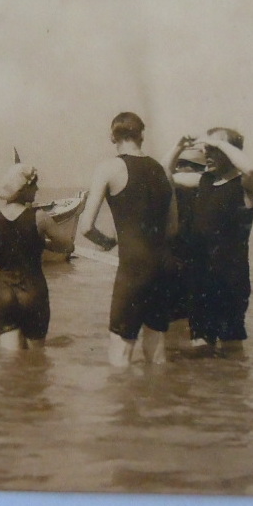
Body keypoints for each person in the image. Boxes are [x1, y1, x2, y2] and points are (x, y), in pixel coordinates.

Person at [79, 111, 177, 367]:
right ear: (142, 135)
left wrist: (106, 242)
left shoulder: (109, 168)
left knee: (120, 352)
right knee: (156, 350)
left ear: (112, 137)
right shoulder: (163, 171)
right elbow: (173, 228)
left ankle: (124, 405)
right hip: (162, 267)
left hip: (132, 269)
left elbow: (86, 226)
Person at [166, 127, 253, 347]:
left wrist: (218, 143)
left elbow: (251, 169)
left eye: (213, 149)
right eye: (205, 149)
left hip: (230, 278)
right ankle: (208, 379)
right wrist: (179, 146)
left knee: (231, 344)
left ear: (231, 151)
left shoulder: (245, 187)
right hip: (199, 276)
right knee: (199, 343)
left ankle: (232, 380)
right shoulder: (204, 180)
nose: (207, 154)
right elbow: (164, 173)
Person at [0, 164, 75, 351]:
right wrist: (44, 244)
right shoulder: (40, 217)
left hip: (4, 292)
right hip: (33, 291)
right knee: (36, 360)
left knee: (10, 363)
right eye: (34, 185)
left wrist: (4, 255)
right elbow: (67, 245)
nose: (37, 189)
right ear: (23, 189)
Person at [161, 141, 207, 325]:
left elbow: (163, 170)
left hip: (172, 255)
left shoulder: (168, 183)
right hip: (202, 258)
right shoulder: (209, 184)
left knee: (172, 321)